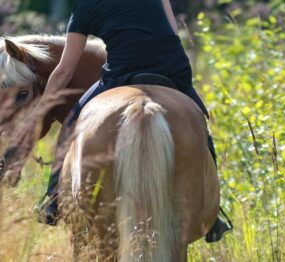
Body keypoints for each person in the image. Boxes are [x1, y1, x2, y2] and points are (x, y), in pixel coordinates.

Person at [37, 0, 232, 243]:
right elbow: (173, 33)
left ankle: (53, 199)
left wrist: (40, 111)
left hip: (122, 72)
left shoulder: (85, 6)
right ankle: (212, 216)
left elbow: (64, 71)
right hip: (173, 68)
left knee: (71, 123)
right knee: (199, 122)